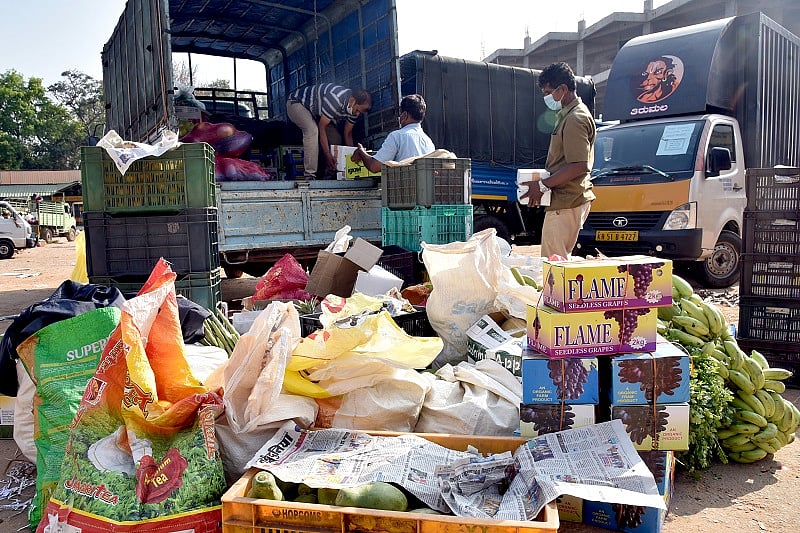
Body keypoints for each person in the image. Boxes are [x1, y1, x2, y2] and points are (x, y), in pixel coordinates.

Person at [523, 62, 596, 259]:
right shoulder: (568, 115)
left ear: (563, 89)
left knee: (553, 265)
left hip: (567, 201)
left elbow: (579, 165)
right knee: (560, 262)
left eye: (549, 92)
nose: (547, 97)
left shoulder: (575, 118)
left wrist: (542, 185)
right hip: (565, 200)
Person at [286, 84, 372, 179]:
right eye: (357, 110)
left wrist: (352, 158)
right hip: (296, 103)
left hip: (317, 114)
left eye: (360, 112)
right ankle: (309, 175)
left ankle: (330, 174)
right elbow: (322, 127)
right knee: (312, 130)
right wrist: (327, 155)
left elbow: (348, 133)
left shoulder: (355, 109)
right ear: (352, 100)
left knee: (335, 138)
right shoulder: (335, 98)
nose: (357, 114)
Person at [351, 94, 435, 172]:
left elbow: (374, 166)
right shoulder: (429, 142)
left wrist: (361, 152)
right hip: (425, 188)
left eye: (400, 113)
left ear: (405, 115)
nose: (400, 117)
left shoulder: (397, 136)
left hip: (403, 186)